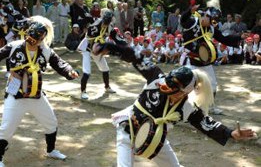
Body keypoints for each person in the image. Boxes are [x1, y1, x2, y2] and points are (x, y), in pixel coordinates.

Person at [93, 38, 257, 167]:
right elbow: (136, 57)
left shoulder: (187, 108)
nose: (166, 88)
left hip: (157, 138)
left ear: (183, 92)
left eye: (172, 89)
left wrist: (230, 133)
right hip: (127, 129)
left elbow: (206, 122)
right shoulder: (155, 77)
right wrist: (111, 47)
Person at [0, 16, 79, 167]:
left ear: (41, 39)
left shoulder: (45, 51)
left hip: (36, 95)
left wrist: (70, 72)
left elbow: (60, 64)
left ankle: (51, 150)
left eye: (36, 39)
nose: (32, 42)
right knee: (6, 129)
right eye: (30, 37)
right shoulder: (14, 46)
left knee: (51, 123)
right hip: (15, 95)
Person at [180, 0, 249, 114]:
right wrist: (189, 11)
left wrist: (239, 37)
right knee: (188, 85)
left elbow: (224, 39)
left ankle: (210, 107)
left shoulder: (212, 28)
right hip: (190, 61)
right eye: (211, 20)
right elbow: (183, 20)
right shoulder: (192, 22)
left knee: (212, 85)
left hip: (205, 62)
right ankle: (183, 108)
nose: (212, 23)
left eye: (214, 22)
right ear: (206, 15)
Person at [77, 10, 116, 99]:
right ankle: (83, 91)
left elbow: (116, 38)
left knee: (105, 68)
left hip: (98, 48)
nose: (106, 22)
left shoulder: (109, 27)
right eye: (106, 20)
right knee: (87, 71)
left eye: (108, 21)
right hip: (87, 47)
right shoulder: (95, 21)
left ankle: (107, 87)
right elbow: (84, 14)